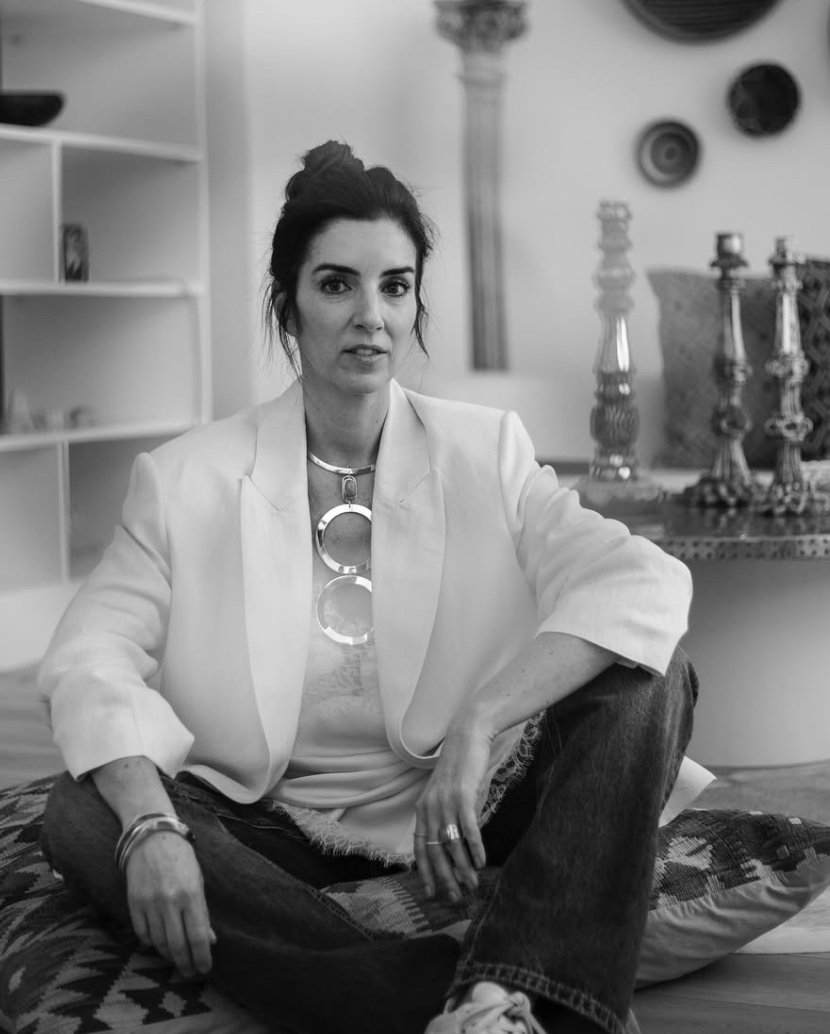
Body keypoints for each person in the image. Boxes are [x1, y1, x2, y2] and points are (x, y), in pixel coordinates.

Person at [38, 140, 706, 1034]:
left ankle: (511, 993)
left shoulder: (485, 448)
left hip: (469, 806)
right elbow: (88, 657)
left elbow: (641, 582)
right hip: (273, 823)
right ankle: (467, 998)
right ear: (289, 308)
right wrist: (153, 829)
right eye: (336, 285)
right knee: (85, 810)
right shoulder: (185, 478)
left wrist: (480, 723)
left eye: (394, 286)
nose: (371, 316)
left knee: (653, 674)